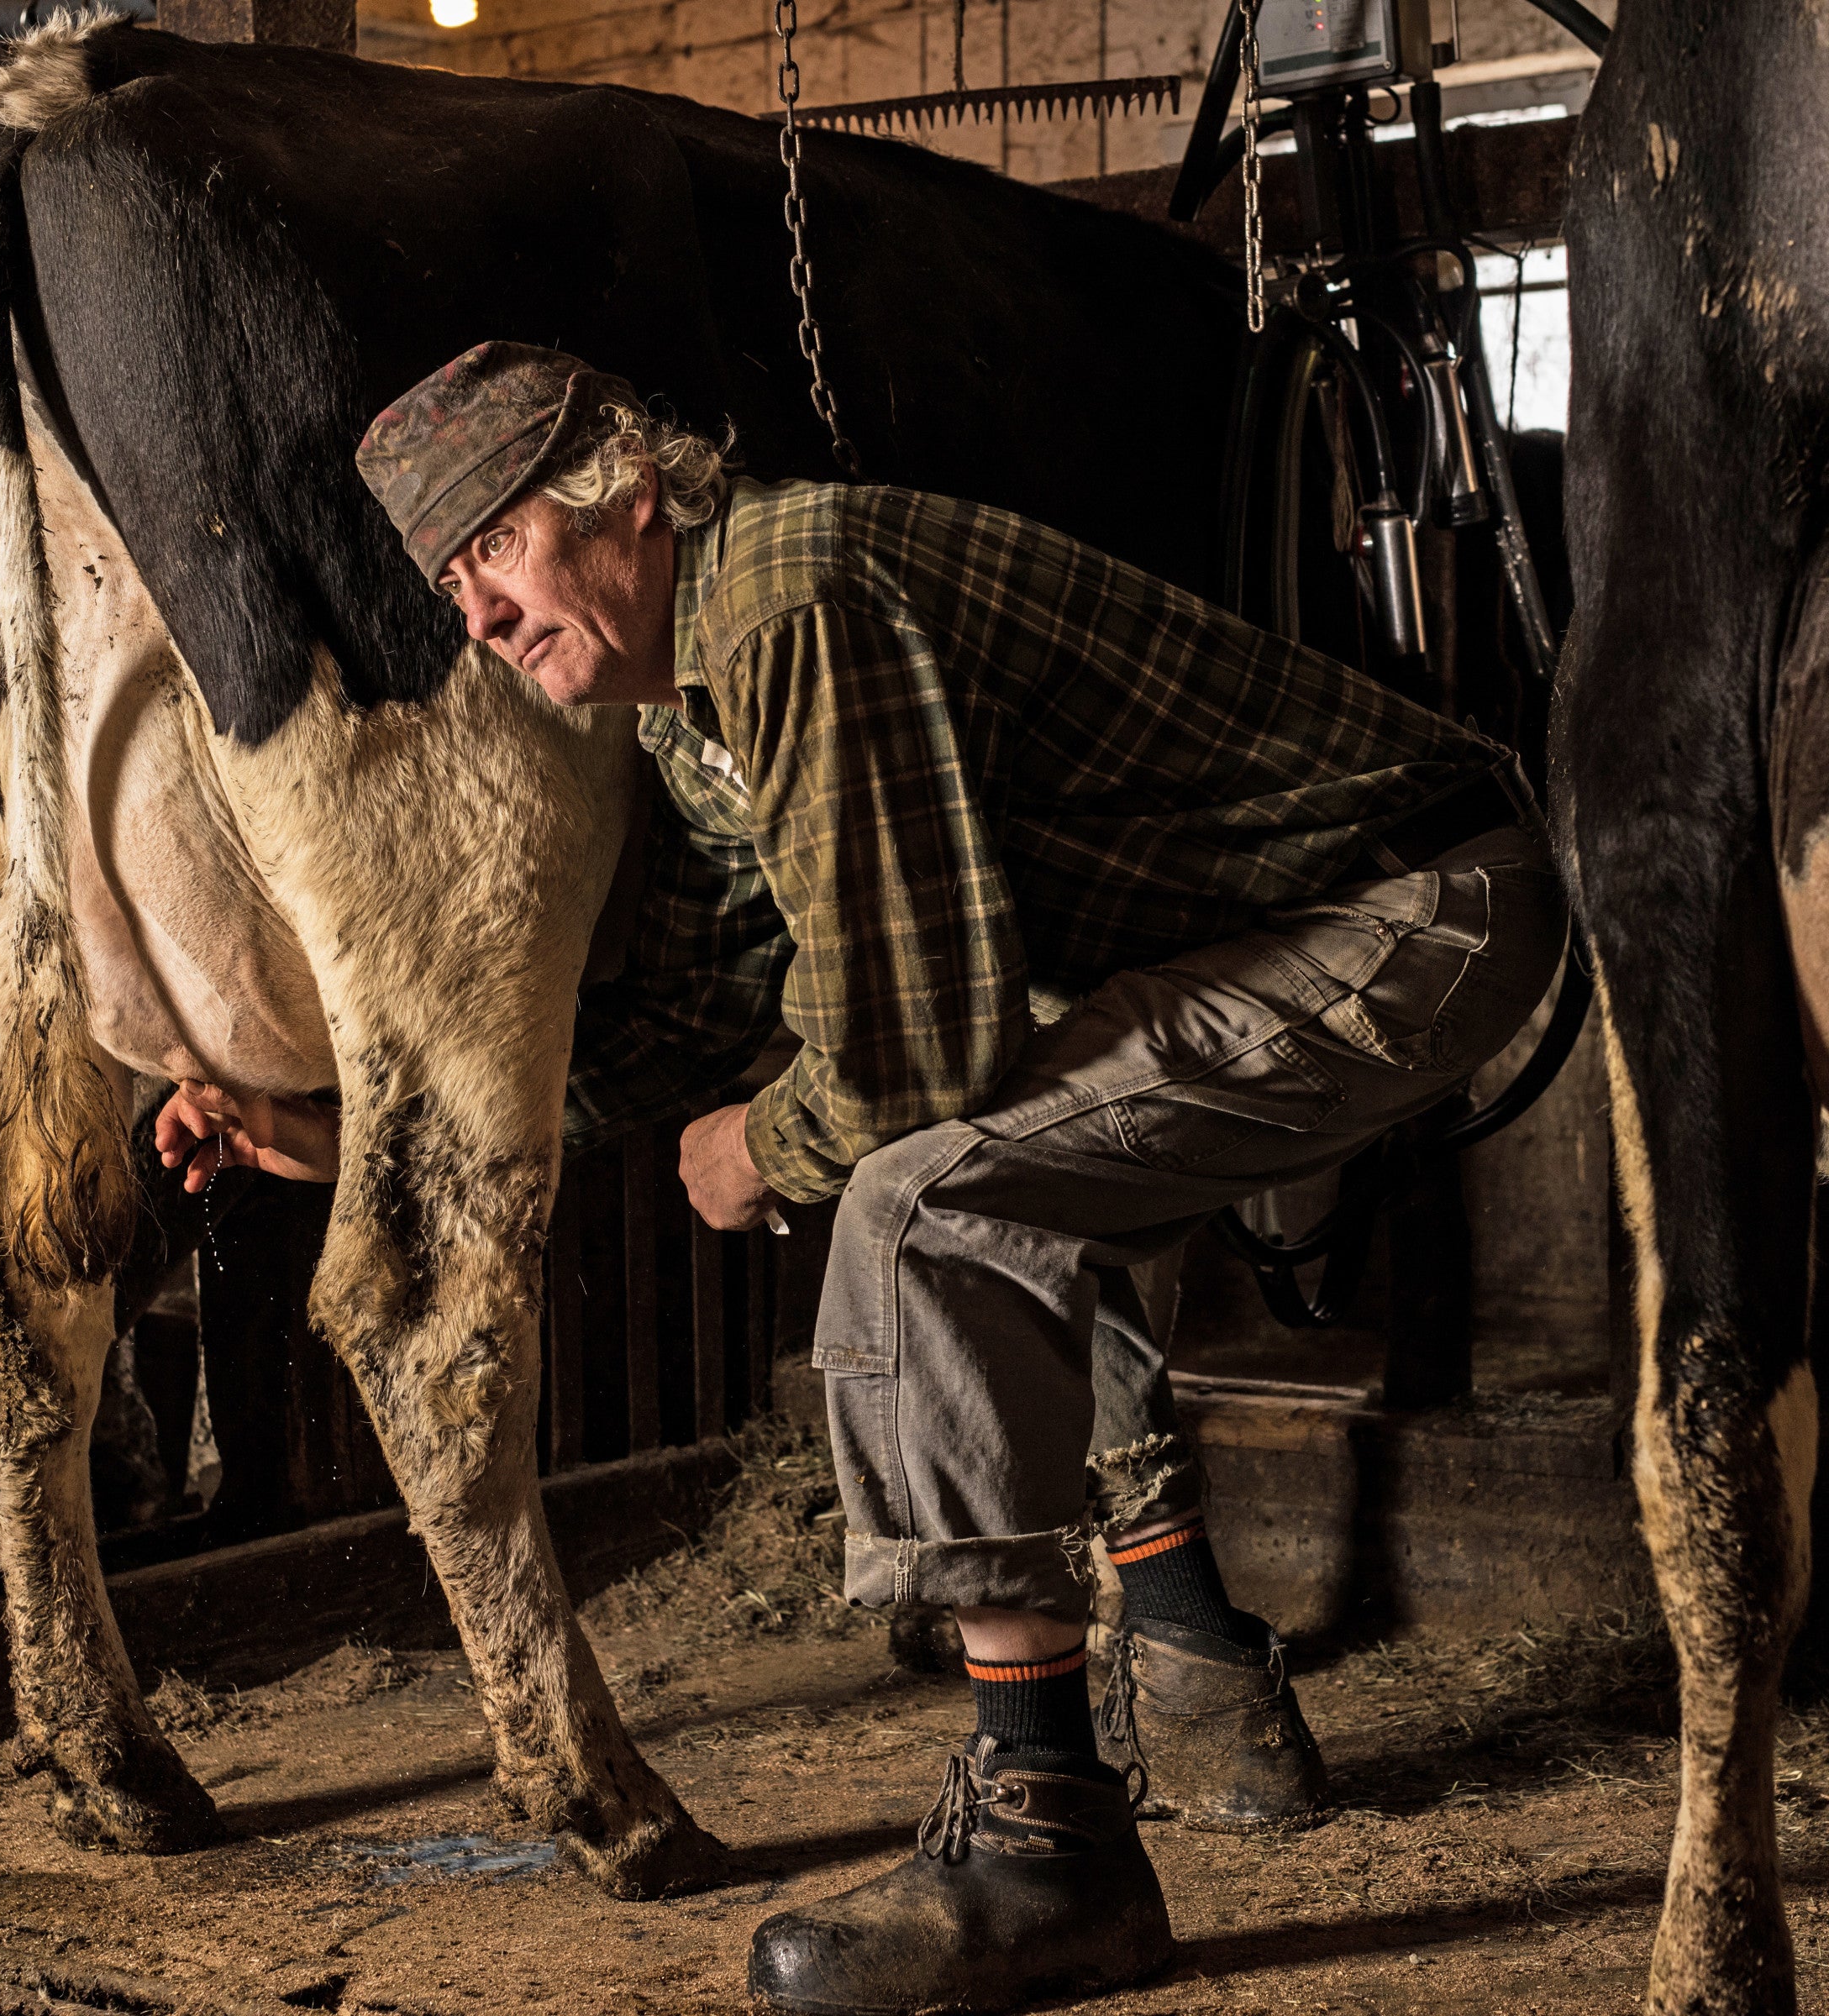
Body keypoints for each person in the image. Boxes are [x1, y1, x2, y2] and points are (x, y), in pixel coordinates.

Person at [158, 342, 1566, 2013]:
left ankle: (1045, 1842)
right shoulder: (696, 702)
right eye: (450, 580)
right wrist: (352, 1142)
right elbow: (701, 1009)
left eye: (495, 550)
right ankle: (1195, 1681)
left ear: (627, 495)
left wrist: (765, 1145)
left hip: (1407, 912)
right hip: (1267, 932)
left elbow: (905, 1059)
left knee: (928, 1202)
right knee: (1001, 1182)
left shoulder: (791, 598)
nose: (476, 617)